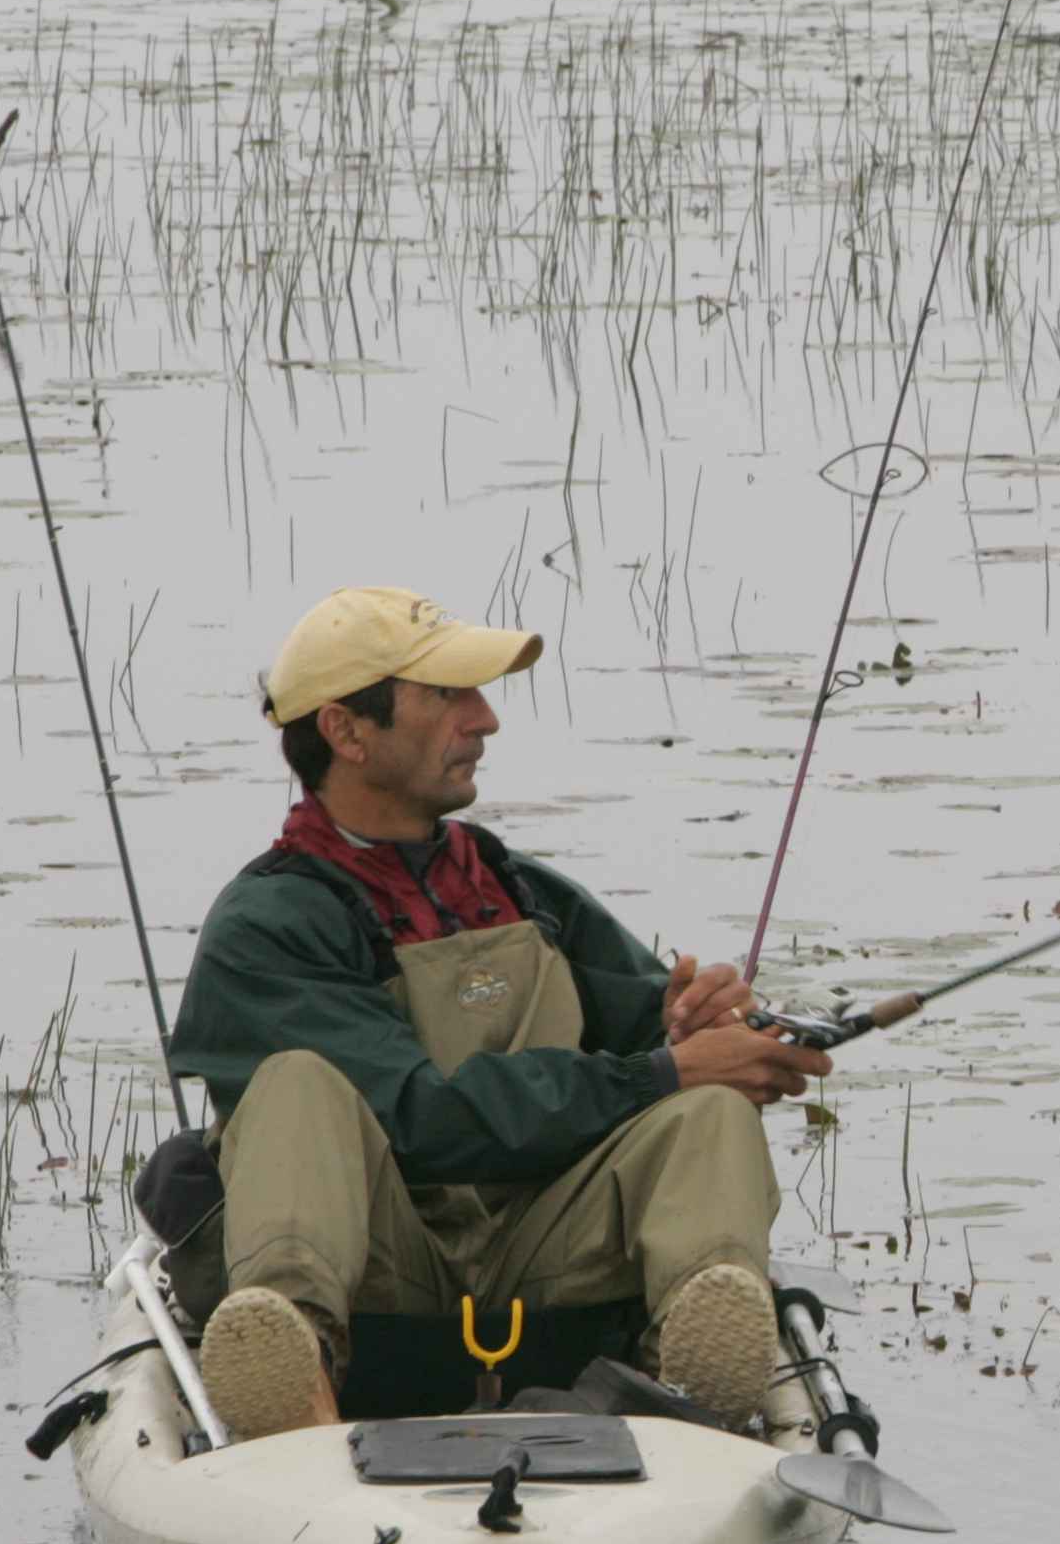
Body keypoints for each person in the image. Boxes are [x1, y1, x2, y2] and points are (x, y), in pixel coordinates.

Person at [166, 585, 832, 1442]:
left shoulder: (517, 889)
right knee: (294, 1086)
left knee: (707, 1113)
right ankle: (290, 1372)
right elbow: (419, 1117)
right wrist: (659, 1071)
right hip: (379, 1271)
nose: (485, 721)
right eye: (448, 696)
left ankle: (692, 1394)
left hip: (546, 1254)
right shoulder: (265, 927)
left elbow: (644, 1035)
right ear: (346, 731)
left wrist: (702, 1031)